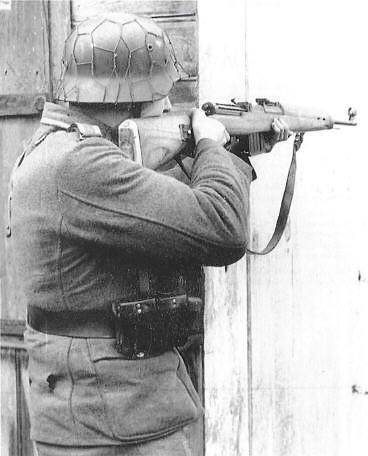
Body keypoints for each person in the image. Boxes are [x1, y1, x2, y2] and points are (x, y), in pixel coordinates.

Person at [6, 13, 290, 456]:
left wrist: (234, 152)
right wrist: (213, 146)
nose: (166, 106)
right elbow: (223, 228)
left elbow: (157, 207)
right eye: (161, 94)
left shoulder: (57, 148)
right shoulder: (82, 166)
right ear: (128, 98)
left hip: (98, 407)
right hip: (118, 416)